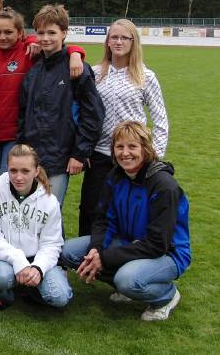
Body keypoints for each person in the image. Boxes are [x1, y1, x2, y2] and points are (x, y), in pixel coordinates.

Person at [61, 121, 191, 321]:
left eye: (132, 146)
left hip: (167, 253)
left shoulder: (164, 186)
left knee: (127, 280)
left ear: (145, 149)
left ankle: (167, 295)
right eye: (119, 147)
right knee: (68, 252)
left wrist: (105, 258)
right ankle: (126, 285)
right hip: (128, 242)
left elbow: (158, 244)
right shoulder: (115, 176)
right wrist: (96, 249)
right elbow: (103, 220)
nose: (125, 153)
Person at [78, 19, 169, 236]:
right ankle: (87, 253)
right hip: (99, 155)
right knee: (91, 209)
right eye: (114, 37)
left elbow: (161, 120)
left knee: (127, 212)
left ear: (133, 42)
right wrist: (82, 149)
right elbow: (83, 114)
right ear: (108, 41)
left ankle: (122, 252)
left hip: (132, 157)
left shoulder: (145, 76)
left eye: (124, 38)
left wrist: (153, 156)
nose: (118, 42)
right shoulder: (95, 73)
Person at [18, 4, 104, 206]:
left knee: (50, 213)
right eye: (41, 33)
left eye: (51, 32)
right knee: (29, 212)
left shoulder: (77, 69)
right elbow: (23, 114)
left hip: (59, 159)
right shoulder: (34, 71)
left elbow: (93, 114)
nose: (45, 38)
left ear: (64, 33)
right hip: (32, 157)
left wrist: (80, 154)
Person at [0, 8, 85, 180]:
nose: (2, 37)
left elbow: (57, 54)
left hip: (15, 135)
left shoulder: (30, 53)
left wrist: (75, 52)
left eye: (8, 32)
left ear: (20, 33)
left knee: (6, 180)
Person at [0, 144, 72, 310]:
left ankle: (27, 288)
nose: (18, 177)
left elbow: (52, 243)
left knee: (60, 297)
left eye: (25, 171)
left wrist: (38, 268)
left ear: (36, 171)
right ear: (7, 169)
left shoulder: (49, 200)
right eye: (13, 170)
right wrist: (18, 259)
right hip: (5, 257)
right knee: (2, 277)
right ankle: (5, 289)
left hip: (37, 257)